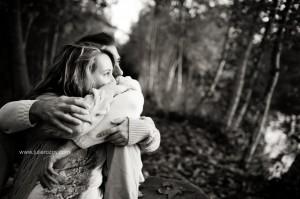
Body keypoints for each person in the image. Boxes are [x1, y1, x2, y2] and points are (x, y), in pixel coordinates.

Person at [0, 33, 160, 199]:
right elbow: (6, 120)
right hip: (41, 190)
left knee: (124, 136)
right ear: (80, 67)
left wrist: (146, 129)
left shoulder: (110, 102)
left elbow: (148, 140)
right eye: (107, 70)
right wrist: (36, 108)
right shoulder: (56, 104)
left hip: (93, 191)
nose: (118, 73)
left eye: (117, 62)